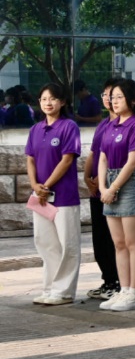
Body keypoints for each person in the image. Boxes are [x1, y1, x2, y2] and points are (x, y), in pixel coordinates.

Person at [98, 79, 135, 312]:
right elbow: (102, 158)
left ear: (133, 100)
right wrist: (103, 187)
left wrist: (113, 188)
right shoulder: (110, 125)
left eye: (119, 97)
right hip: (110, 183)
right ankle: (124, 289)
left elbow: (132, 162)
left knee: (132, 243)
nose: (114, 101)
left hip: (130, 184)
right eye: (112, 97)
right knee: (119, 243)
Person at [26, 83, 82, 306]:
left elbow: (67, 160)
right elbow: (30, 159)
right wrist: (35, 185)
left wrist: (46, 186)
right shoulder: (35, 129)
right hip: (40, 196)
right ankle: (50, 289)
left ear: (63, 102)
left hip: (63, 196)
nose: (48, 103)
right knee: (45, 242)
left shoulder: (69, 127)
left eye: (53, 99)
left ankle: (64, 292)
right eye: (43, 99)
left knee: (67, 244)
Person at [84, 79, 121, 302]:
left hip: (113, 191)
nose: (109, 99)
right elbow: (93, 153)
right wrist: (86, 176)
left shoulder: (128, 125)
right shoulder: (103, 124)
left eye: (113, 95)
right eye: (106, 94)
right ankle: (107, 279)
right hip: (96, 190)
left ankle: (118, 282)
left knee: (113, 240)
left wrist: (103, 179)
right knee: (99, 240)